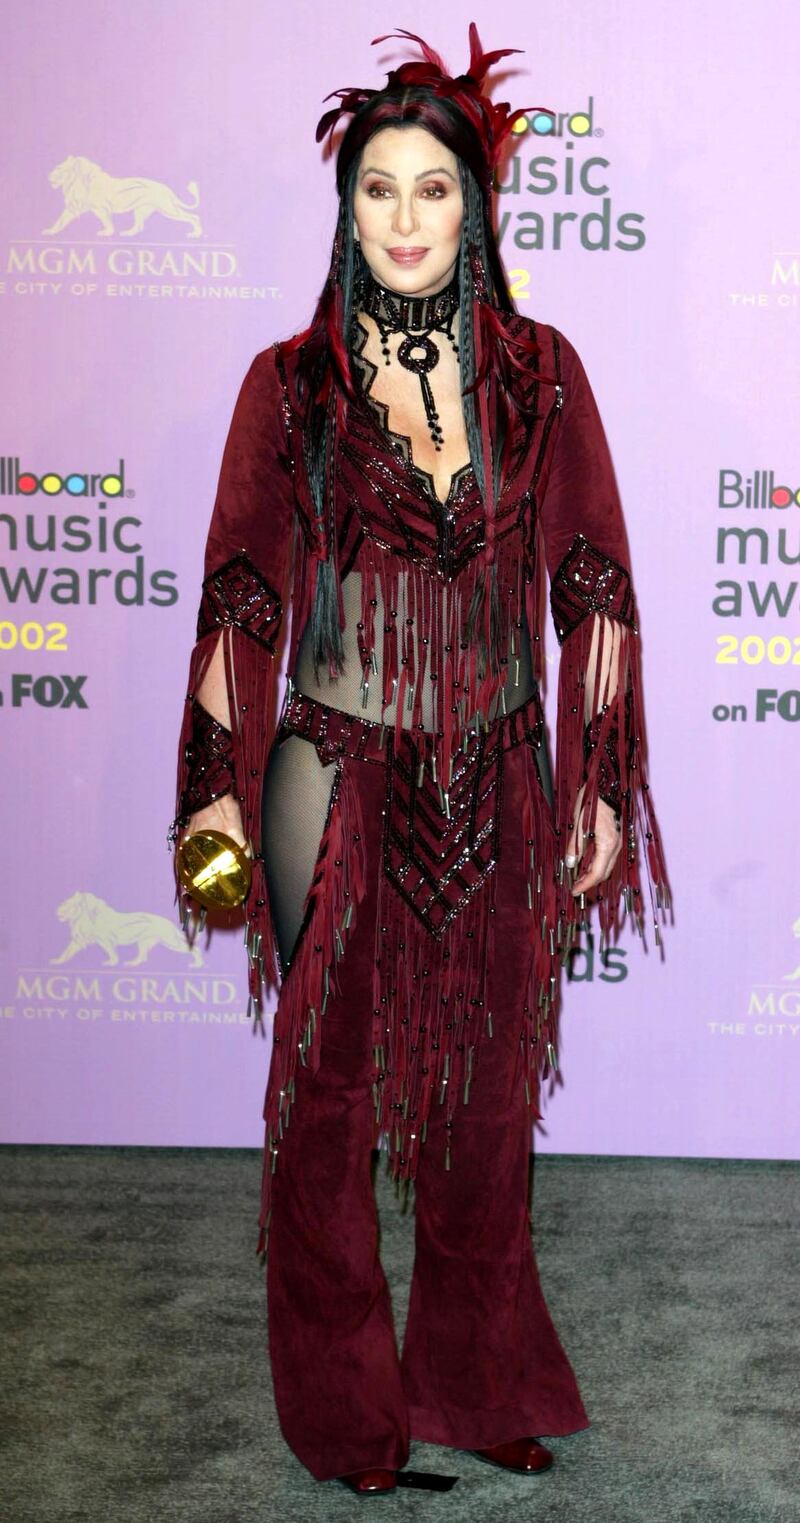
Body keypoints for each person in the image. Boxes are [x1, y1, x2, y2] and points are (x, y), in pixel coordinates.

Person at [172, 24, 669, 1498]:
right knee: (322, 1117)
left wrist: (596, 783)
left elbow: (596, 588)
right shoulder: (291, 387)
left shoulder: (542, 376)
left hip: (503, 776)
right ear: (348, 210)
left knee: (488, 1110)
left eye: (431, 189)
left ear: (476, 208)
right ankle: (346, 1419)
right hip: (332, 776)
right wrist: (213, 783)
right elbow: (241, 599)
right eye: (376, 189)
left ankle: (475, 1382)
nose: (402, 217)